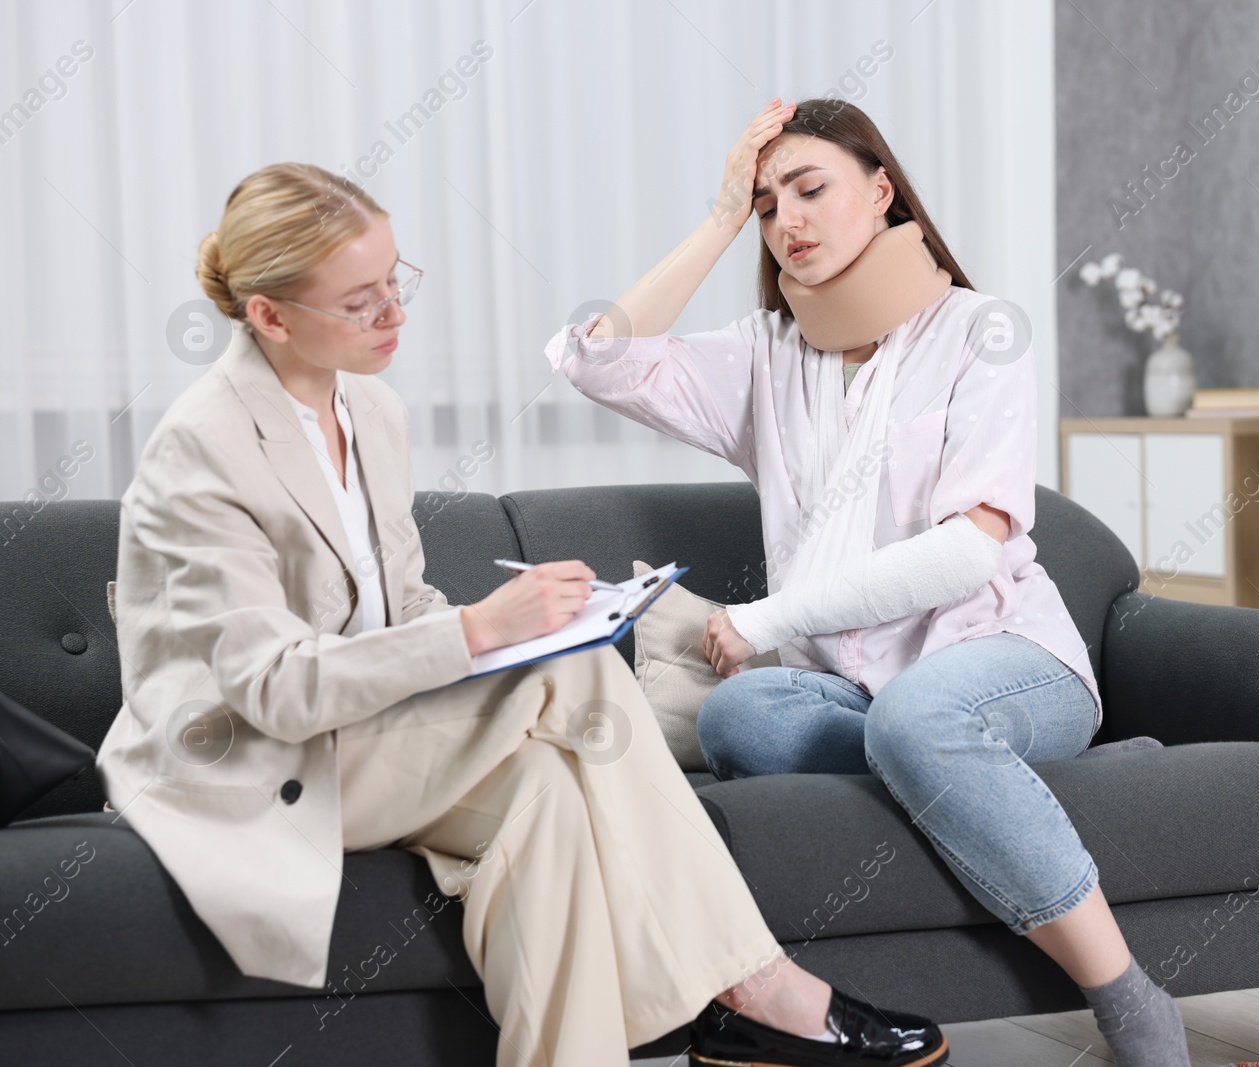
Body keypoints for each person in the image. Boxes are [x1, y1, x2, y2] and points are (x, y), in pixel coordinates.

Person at [95, 162, 948, 1067]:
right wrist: (484, 632)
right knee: (572, 672)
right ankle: (757, 985)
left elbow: (401, 604)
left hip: (364, 732)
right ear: (268, 315)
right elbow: (272, 690)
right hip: (252, 753)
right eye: (361, 302)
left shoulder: (371, 411)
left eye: (397, 282)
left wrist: (511, 620)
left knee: (542, 800)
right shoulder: (203, 446)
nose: (395, 315)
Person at [545, 99, 1190, 1067]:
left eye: (810, 190)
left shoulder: (979, 331)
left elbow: (971, 549)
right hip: (858, 688)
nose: (787, 220)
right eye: (769, 206)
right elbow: (590, 356)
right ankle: (995, 781)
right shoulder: (767, 356)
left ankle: (1131, 998)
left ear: (882, 191)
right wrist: (720, 214)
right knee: (737, 718)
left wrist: (769, 615)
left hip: (1003, 656)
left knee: (916, 718)